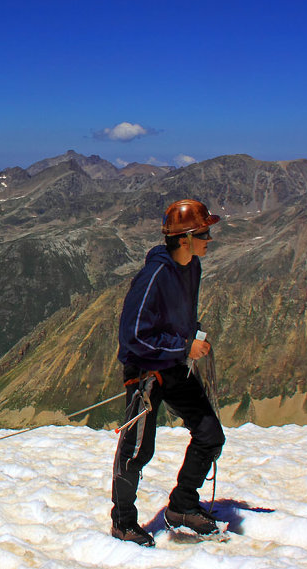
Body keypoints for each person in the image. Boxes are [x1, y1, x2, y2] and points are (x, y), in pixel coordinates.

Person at [110, 198, 225, 546]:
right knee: (137, 450)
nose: (209, 238)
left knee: (210, 434)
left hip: (174, 365)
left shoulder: (191, 268)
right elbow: (133, 336)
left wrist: (188, 340)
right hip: (147, 372)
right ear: (186, 238)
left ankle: (182, 506)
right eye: (204, 232)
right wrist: (183, 347)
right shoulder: (155, 275)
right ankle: (123, 522)